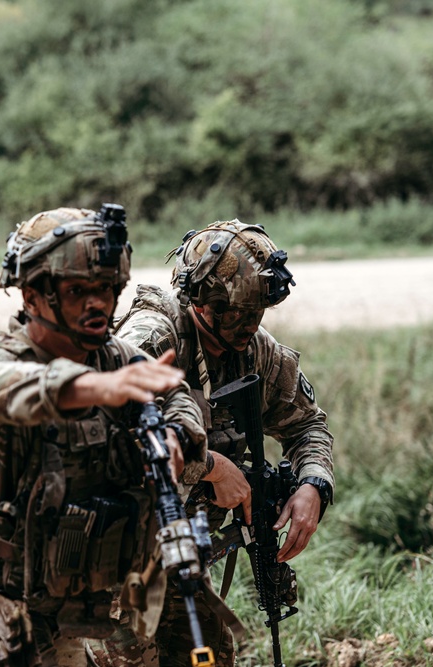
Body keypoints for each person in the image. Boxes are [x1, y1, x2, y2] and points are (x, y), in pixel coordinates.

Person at [0, 205, 252, 667]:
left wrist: (178, 435)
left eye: (106, 290)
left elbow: (173, 392)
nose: (97, 304)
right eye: (78, 291)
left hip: (70, 599)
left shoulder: (115, 358)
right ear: (32, 294)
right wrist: (88, 387)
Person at [99, 219, 336, 666]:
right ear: (203, 303)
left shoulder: (255, 349)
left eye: (258, 312)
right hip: (120, 558)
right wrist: (210, 466)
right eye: (238, 313)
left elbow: (307, 424)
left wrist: (313, 486)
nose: (251, 325)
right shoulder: (152, 335)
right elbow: (114, 431)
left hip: (186, 557)